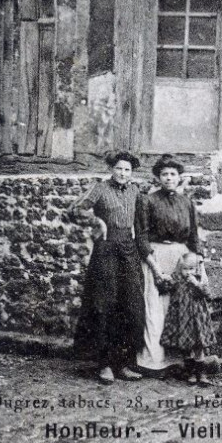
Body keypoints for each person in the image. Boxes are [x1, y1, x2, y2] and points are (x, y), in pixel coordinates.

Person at [72, 151, 145, 385]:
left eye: (127, 170)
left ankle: (123, 363)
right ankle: (104, 364)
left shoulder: (135, 192)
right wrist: (97, 222)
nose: (123, 173)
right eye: (119, 169)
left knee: (130, 303)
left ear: (131, 173)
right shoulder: (100, 188)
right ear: (112, 169)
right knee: (105, 304)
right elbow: (76, 210)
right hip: (105, 250)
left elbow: (141, 225)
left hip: (128, 250)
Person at [135, 154, 202, 374]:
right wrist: (155, 269)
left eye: (173, 174)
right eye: (164, 174)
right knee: (155, 309)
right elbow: (142, 237)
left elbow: (194, 236)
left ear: (179, 177)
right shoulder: (148, 200)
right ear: (158, 177)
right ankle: (154, 361)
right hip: (156, 256)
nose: (169, 178)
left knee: (181, 308)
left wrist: (197, 261)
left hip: (182, 258)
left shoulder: (187, 202)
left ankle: (181, 360)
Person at [160, 248, 216, 385]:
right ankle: (190, 372)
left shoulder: (199, 281)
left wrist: (196, 284)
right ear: (180, 268)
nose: (188, 272)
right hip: (183, 320)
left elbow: (208, 294)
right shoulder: (178, 279)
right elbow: (166, 286)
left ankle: (201, 373)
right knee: (186, 348)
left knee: (198, 347)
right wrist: (163, 278)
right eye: (185, 269)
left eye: (191, 269)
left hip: (197, 320)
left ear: (196, 269)